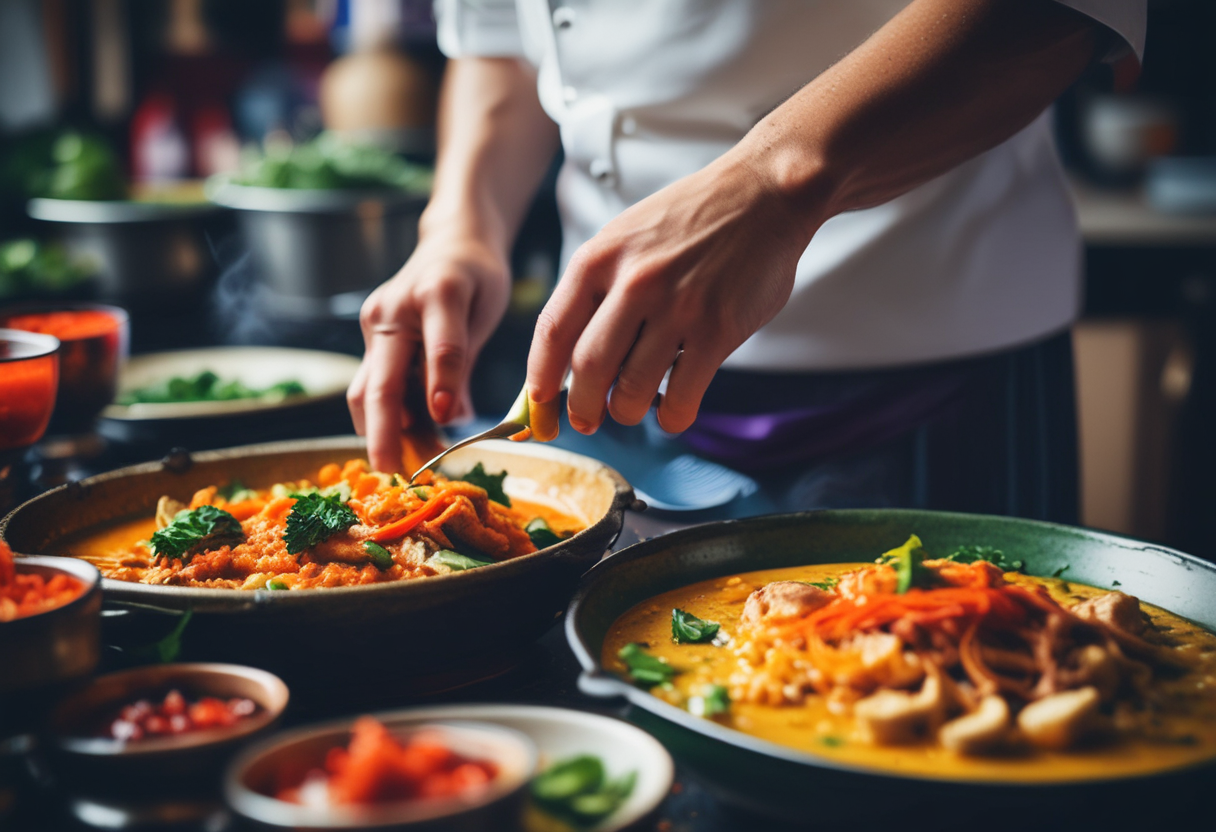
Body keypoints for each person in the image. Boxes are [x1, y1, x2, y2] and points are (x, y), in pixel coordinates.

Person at [348, 0, 1146, 521]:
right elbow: (498, 46)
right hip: (611, 389)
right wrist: (460, 223)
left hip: (933, 373)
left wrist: (774, 181)